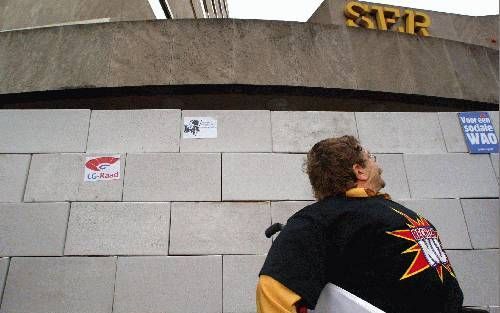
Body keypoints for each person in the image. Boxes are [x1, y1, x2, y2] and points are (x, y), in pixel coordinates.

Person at [256, 135, 463, 313]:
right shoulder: (320, 219)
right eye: (371, 158)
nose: (378, 164)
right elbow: (273, 287)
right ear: (360, 171)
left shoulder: (386, 209)